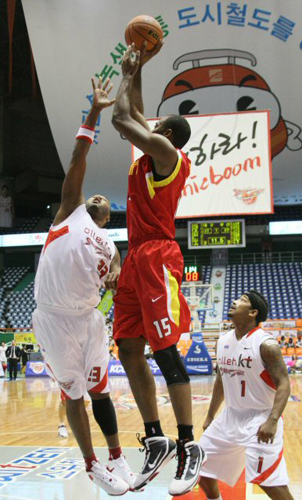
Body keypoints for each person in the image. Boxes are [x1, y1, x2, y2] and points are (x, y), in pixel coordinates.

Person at [111, 43, 206, 495]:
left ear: (167, 134)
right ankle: (155, 437)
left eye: (159, 127)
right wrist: (141, 67)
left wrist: (126, 73)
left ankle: (189, 444)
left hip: (158, 257)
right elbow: (139, 115)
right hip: (134, 259)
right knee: (129, 348)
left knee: (165, 351)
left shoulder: (169, 156)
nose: (152, 126)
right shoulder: (149, 156)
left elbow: (122, 118)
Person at [32, 77, 134, 496]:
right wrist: (94, 111)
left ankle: (116, 456)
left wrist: (115, 275)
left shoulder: (111, 244)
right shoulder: (69, 212)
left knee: (101, 391)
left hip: (90, 319)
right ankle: (92, 465)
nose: (96, 198)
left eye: (104, 201)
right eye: (92, 195)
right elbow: (78, 155)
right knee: (73, 395)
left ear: (108, 218)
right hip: (55, 319)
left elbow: (114, 277)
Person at [198, 290, 294, 500]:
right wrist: (210, 415)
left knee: (270, 482)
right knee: (199, 463)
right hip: (230, 417)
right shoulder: (222, 341)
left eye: (242, 300)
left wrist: (272, 420)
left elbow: (284, 384)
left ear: (253, 312)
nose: (234, 301)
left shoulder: (266, 345)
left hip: (261, 418)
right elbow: (221, 380)